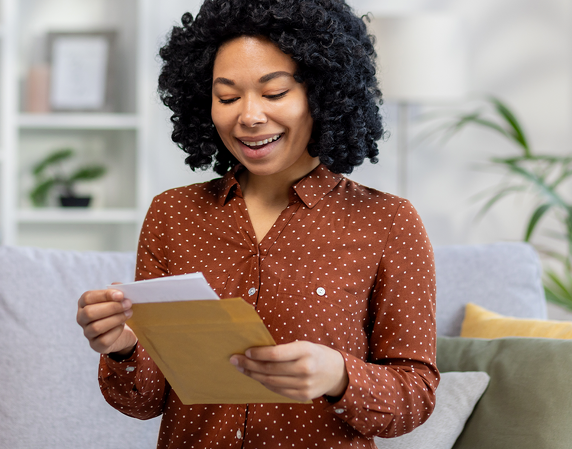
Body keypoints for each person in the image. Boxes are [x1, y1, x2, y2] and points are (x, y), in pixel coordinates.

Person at [76, 0, 438, 447]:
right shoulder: (173, 215)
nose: (248, 116)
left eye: (274, 93)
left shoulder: (387, 222)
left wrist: (339, 375)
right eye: (227, 97)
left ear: (321, 95)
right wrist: (125, 345)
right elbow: (142, 402)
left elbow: (415, 394)